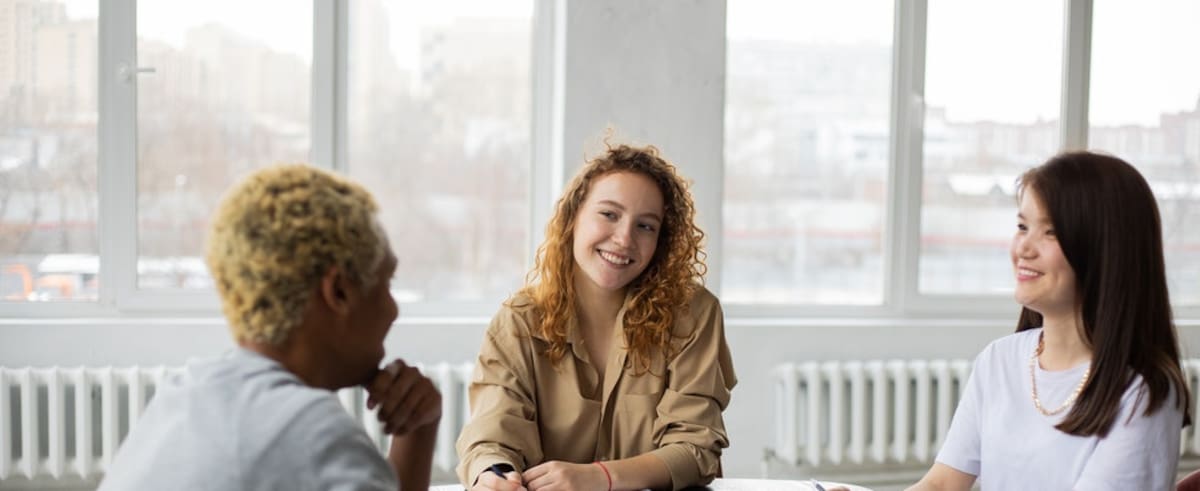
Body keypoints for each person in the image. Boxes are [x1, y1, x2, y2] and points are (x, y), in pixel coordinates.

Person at [98, 165, 442, 490]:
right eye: (386, 283)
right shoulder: (312, 432)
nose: (393, 311)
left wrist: (419, 430)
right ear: (338, 291)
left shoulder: (183, 396)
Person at [456, 143, 736, 491]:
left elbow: (696, 449)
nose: (624, 239)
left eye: (645, 226)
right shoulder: (518, 321)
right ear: (573, 217)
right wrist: (493, 474)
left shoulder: (693, 314)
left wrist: (600, 476)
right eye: (609, 214)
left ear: (660, 241)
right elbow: (492, 433)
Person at [909, 152, 1191, 490]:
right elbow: (941, 484)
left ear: (1105, 250)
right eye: (1022, 227)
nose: (1024, 248)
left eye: (1051, 232)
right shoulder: (998, 359)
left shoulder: (1142, 392)